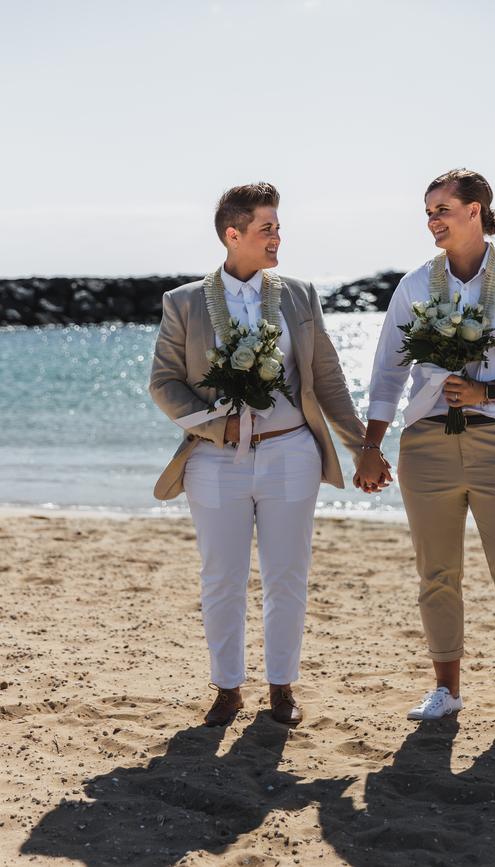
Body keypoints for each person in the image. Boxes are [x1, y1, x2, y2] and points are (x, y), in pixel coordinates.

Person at [150, 182, 378, 726]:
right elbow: (164, 384)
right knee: (222, 577)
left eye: (277, 227)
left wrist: (363, 447)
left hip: (291, 453)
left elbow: (326, 378)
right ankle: (227, 689)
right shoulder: (183, 303)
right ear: (234, 235)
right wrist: (218, 426)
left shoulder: (300, 295)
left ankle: (282, 688)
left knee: (287, 576)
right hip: (213, 461)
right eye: (266, 228)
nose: (277, 237)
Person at [355, 168, 495, 728]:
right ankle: (446, 690)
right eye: (428, 212)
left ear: (476, 210)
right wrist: (370, 446)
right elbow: (388, 370)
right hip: (425, 444)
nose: (432, 221)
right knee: (436, 572)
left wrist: (487, 390)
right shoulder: (415, 285)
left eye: (442, 209)